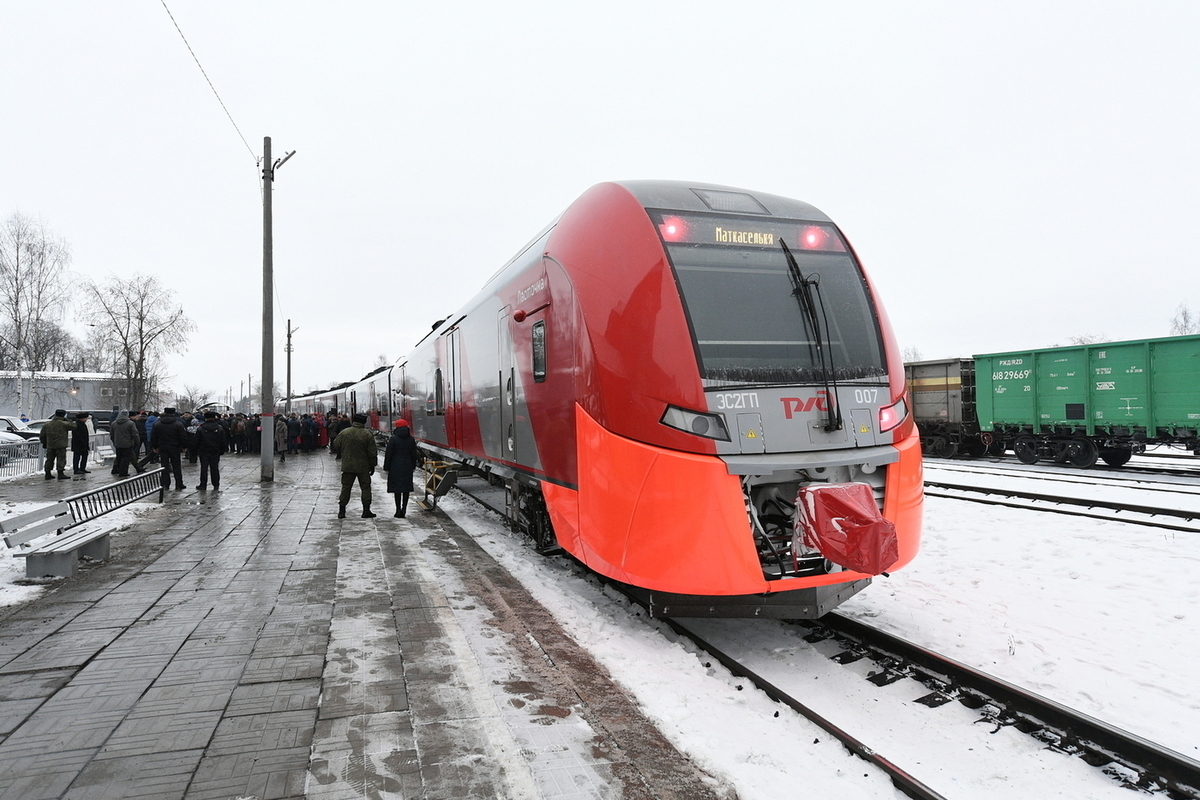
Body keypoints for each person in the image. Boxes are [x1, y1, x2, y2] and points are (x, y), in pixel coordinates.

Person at [331, 412, 378, 518]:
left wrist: (345, 451)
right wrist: (373, 465)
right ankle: (366, 510)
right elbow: (372, 452)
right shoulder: (367, 434)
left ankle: (342, 511)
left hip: (348, 466)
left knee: (346, 487)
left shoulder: (345, 432)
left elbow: (336, 444)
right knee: (365, 488)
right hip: (363, 466)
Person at [382, 419, 423, 517]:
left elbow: (389, 454)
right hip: (407, 465)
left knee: (397, 489)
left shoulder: (393, 439)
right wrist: (413, 465)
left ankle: (398, 510)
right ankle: (404, 509)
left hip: (395, 465)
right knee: (406, 489)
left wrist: (386, 467)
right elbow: (414, 454)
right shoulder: (411, 439)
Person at [151, 407, 188, 491]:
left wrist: (155, 447)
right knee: (176, 465)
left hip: (162, 447)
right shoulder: (178, 424)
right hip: (175, 447)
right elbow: (183, 437)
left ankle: (165, 483)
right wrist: (184, 446)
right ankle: (179, 483)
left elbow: (154, 437)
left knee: (164, 465)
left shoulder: (158, 424)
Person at [195, 411, 229, 490]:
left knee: (204, 467)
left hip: (203, 450)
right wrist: (222, 450)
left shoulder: (201, 428)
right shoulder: (219, 428)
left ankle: (203, 484)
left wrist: (196, 450)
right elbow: (223, 440)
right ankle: (216, 484)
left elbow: (196, 440)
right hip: (215, 450)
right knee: (214, 467)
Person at [39, 409, 75, 480]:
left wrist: (44, 443)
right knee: (61, 459)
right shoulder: (64, 424)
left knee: (49, 459)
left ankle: (48, 473)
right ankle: (60, 473)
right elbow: (74, 426)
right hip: (61, 445)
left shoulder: (47, 424)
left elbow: (42, 435)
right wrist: (66, 419)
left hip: (50, 445)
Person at [109, 410, 139, 478]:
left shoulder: (114, 423)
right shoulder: (130, 423)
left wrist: (114, 441)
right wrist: (137, 442)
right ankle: (123, 472)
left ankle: (118, 470)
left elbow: (111, 434)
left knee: (119, 457)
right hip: (127, 443)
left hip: (118, 444)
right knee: (126, 458)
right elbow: (135, 434)